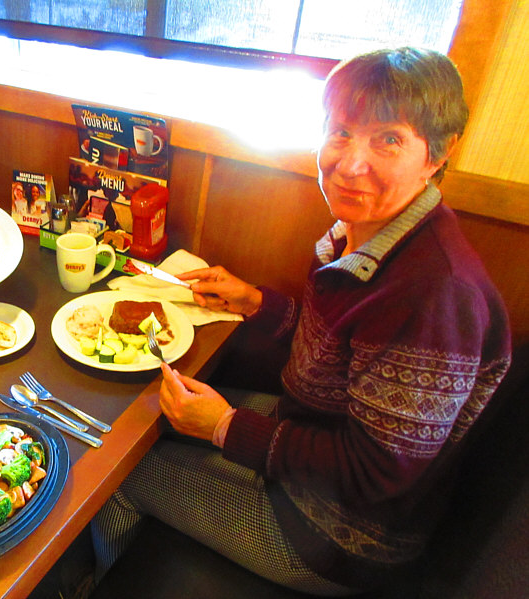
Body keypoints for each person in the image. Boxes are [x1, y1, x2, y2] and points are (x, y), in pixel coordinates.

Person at [92, 47, 512, 595]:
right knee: (140, 423)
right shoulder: (372, 234)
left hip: (340, 537)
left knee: (111, 474)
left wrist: (222, 426)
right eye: (341, 132)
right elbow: (344, 354)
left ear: (437, 153)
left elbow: (377, 473)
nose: (350, 162)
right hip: (309, 442)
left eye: (388, 139)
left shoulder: (436, 293)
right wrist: (256, 303)